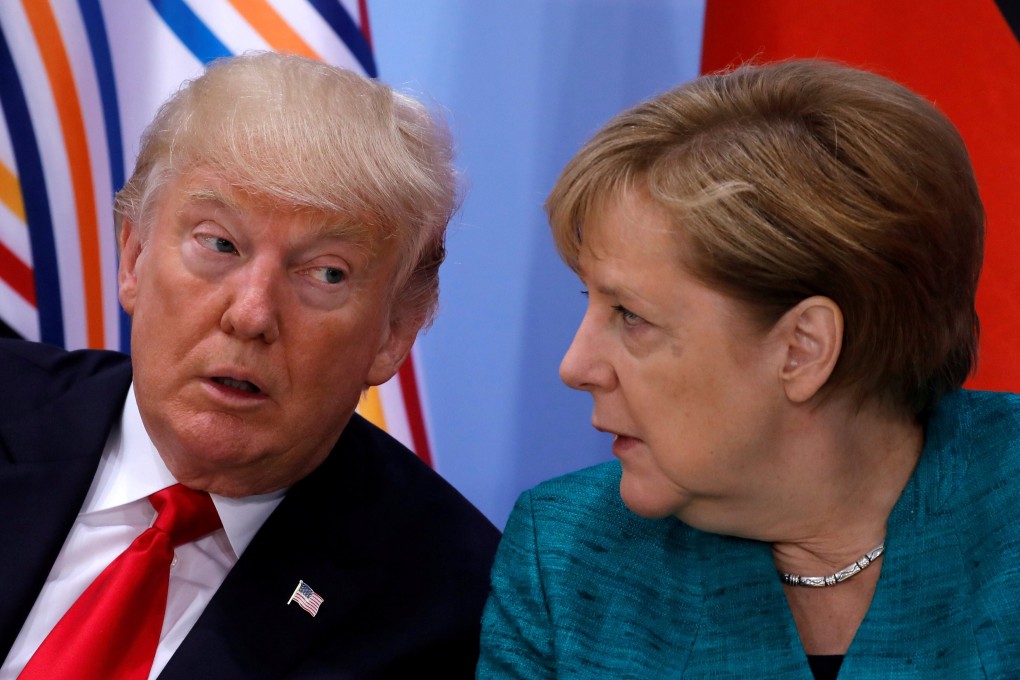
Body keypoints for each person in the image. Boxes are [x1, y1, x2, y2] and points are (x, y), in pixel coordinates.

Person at [478, 59, 1020, 678]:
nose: (575, 367)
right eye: (591, 301)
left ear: (802, 348)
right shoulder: (566, 559)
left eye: (630, 315)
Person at [0, 52, 499, 679]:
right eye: (219, 243)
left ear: (394, 332)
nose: (252, 314)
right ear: (133, 256)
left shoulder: (450, 609)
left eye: (326, 273)